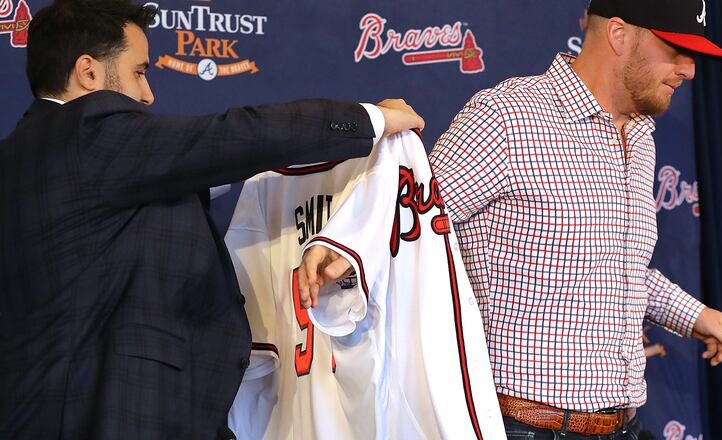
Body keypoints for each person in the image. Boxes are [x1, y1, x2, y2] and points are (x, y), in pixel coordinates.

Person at [0, 0, 423, 438]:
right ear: (88, 72)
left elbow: (160, 185)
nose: (148, 95)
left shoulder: (25, 158)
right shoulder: (90, 133)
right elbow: (231, 138)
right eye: (139, 72)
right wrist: (371, 120)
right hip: (114, 416)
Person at [428, 0, 722, 438]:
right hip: (520, 425)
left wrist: (694, 315)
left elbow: (609, 267)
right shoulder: (507, 117)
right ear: (618, 34)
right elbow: (408, 224)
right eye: (675, 49)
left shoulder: (639, 136)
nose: (689, 70)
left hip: (621, 425)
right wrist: (341, 257)